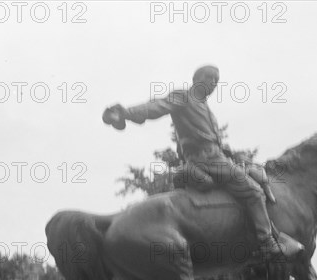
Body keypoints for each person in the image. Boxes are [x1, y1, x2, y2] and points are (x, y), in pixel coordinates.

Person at [103, 65, 302, 260]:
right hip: (207, 160)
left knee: (254, 177)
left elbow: (213, 140)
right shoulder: (183, 97)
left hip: (216, 158)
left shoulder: (205, 108)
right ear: (197, 79)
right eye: (209, 78)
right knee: (254, 192)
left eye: (216, 80)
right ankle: (266, 243)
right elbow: (156, 106)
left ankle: (268, 233)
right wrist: (125, 113)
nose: (214, 83)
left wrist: (234, 156)